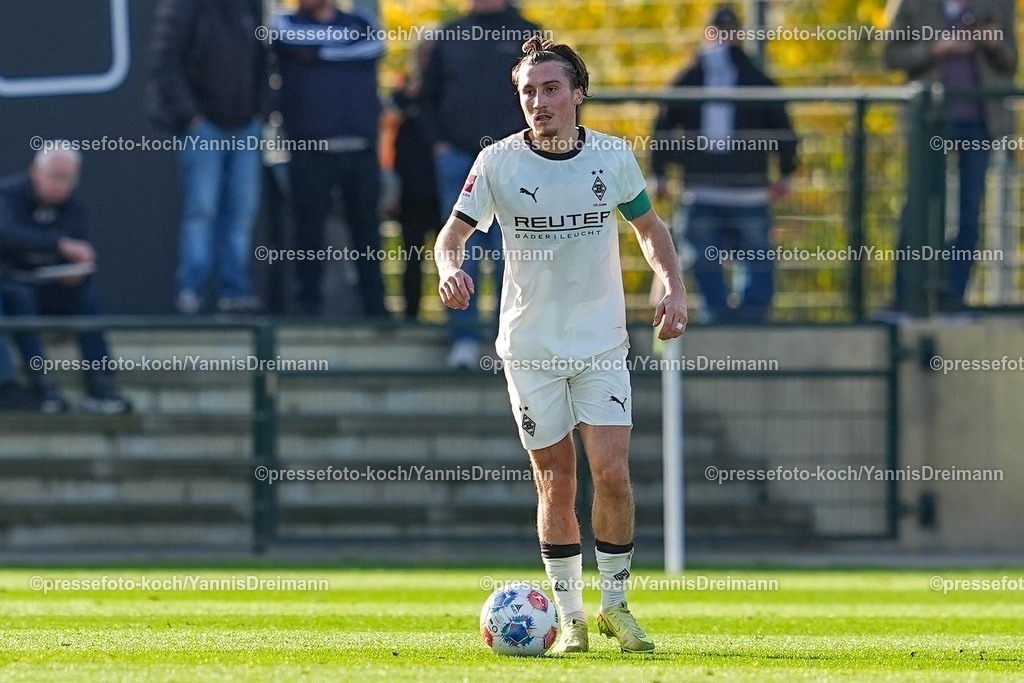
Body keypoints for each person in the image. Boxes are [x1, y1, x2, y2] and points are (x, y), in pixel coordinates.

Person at [435, 37, 687, 654]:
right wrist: (449, 268)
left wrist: (673, 288)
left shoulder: (611, 157)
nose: (539, 101)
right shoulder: (497, 162)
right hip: (529, 347)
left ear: (578, 93)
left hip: (601, 342)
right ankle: (570, 618)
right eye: (528, 91)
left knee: (613, 473)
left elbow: (649, 227)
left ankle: (616, 606)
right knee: (556, 479)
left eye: (550, 88)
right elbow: (451, 235)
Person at [652, 6, 797, 323]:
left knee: (733, 260)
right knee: (730, 260)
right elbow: (664, 125)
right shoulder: (750, 79)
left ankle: (735, 322)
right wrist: (786, 173)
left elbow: (663, 124)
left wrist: (660, 174)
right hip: (718, 191)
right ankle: (733, 322)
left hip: (730, 191)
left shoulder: (701, 78)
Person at [420, 0, 543, 367]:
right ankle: (464, 339)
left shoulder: (528, 34)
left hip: (517, 161)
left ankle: (510, 341)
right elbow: (426, 98)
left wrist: (538, 148)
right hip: (458, 161)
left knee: (514, 253)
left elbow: (554, 94)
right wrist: (440, 146)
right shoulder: (449, 35)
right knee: (462, 253)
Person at [885, 0, 1017, 311]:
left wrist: (994, 44)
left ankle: (953, 298)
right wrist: (935, 48)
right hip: (929, 122)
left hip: (980, 122)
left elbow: (1011, 62)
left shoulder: (998, 5)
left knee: (969, 212)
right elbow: (891, 55)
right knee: (918, 208)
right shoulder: (912, 5)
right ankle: (906, 298)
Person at [147, 0, 268, 315]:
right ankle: (191, 291)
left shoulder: (250, 6)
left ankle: (235, 291)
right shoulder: (182, 5)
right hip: (204, 127)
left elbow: (262, 60)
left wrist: (260, 111)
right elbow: (164, 61)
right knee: (202, 211)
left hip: (246, 125)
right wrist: (191, 116)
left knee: (241, 212)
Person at [271, 0, 388, 318]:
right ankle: (306, 310)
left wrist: (319, 54)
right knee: (308, 232)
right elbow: (288, 41)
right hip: (309, 150)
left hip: (361, 148)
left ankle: (376, 311)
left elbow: (375, 47)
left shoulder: (361, 23)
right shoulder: (286, 23)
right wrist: (343, 49)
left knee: (367, 232)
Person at [0, 147, 131, 414]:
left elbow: (78, 255)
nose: (60, 185)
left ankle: (100, 384)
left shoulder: (74, 209)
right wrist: (59, 245)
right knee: (19, 297)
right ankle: (41, 382)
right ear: (36, 171)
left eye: (68, 179)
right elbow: (7, 234)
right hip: (12, 288)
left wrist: (76, 271)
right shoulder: (8, 195)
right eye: (55, 176)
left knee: (89, 296)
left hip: (52, 287)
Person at [382, 39, 441, 320]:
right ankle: (410, 316)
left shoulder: (447, 94)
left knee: (453, 258)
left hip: (445, 190)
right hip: (410, 191)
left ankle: (456, 319)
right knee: (412, 256)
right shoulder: (401, 94)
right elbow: (386, 137)